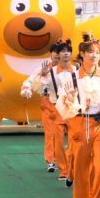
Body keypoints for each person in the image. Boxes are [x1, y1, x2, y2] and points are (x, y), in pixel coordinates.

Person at [56, 33, 100, 198]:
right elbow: (61, 106)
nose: (94, 55)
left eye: (97, 52)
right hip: (79, 122)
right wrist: (70, 99)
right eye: (90, 51)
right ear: (82, 53)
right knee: (80, 166)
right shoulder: (71, 78)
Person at [30, 40, 75, 179]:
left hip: (73, 110)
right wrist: (42, 75)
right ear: (57, 54)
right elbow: (37, 86)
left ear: (71, 53)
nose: (65, 54)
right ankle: (62, 169)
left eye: (68, 51)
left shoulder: (77, 70)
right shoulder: (51, 71)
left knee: (75, 140)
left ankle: (71, 165)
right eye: (62, 51)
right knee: (58, 140)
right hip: (56, 109)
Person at [21, 44, 61, 172]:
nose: (57, 55)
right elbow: (29, 82)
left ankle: (66, 160)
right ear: (51, 54)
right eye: (55, 52)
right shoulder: (42, 69)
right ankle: (51, 160)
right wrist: (27, 90)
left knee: (65, 134)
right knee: (50, 133)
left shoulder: (70, 70)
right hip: (48, 103)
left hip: (64, 104)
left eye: (60, 52)